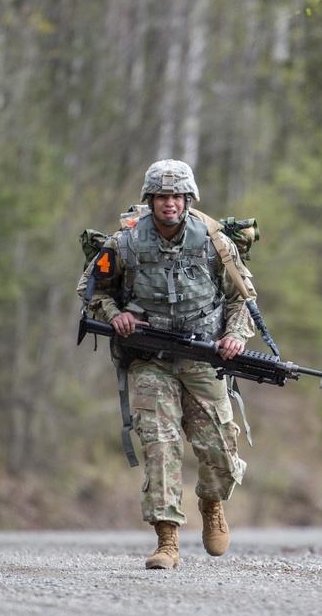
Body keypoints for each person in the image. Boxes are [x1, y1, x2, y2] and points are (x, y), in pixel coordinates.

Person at [77, 159, 256, 569]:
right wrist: (113, 314)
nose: (169, 204)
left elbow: (241, 298)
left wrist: (235, 336)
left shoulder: (214, 240)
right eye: (162, 196)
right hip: (149, 360)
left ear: (187, 199)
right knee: (160, 445)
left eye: (176, 196)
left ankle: (211, 503)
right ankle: (168, 541)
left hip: (203, 356)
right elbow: (91, 290)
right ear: (150, 200)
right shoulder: (125, 243)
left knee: (222, 452)